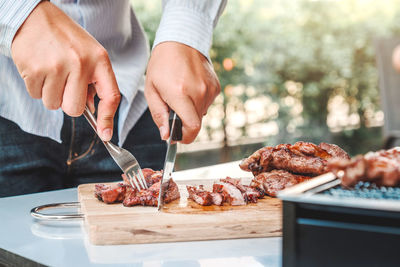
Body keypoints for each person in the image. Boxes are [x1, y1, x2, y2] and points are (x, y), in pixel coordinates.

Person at [0, 0, 226, 197]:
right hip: (8, 107)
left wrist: (185, 31)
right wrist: (18, 12)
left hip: (130, 110)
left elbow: (187, 24)